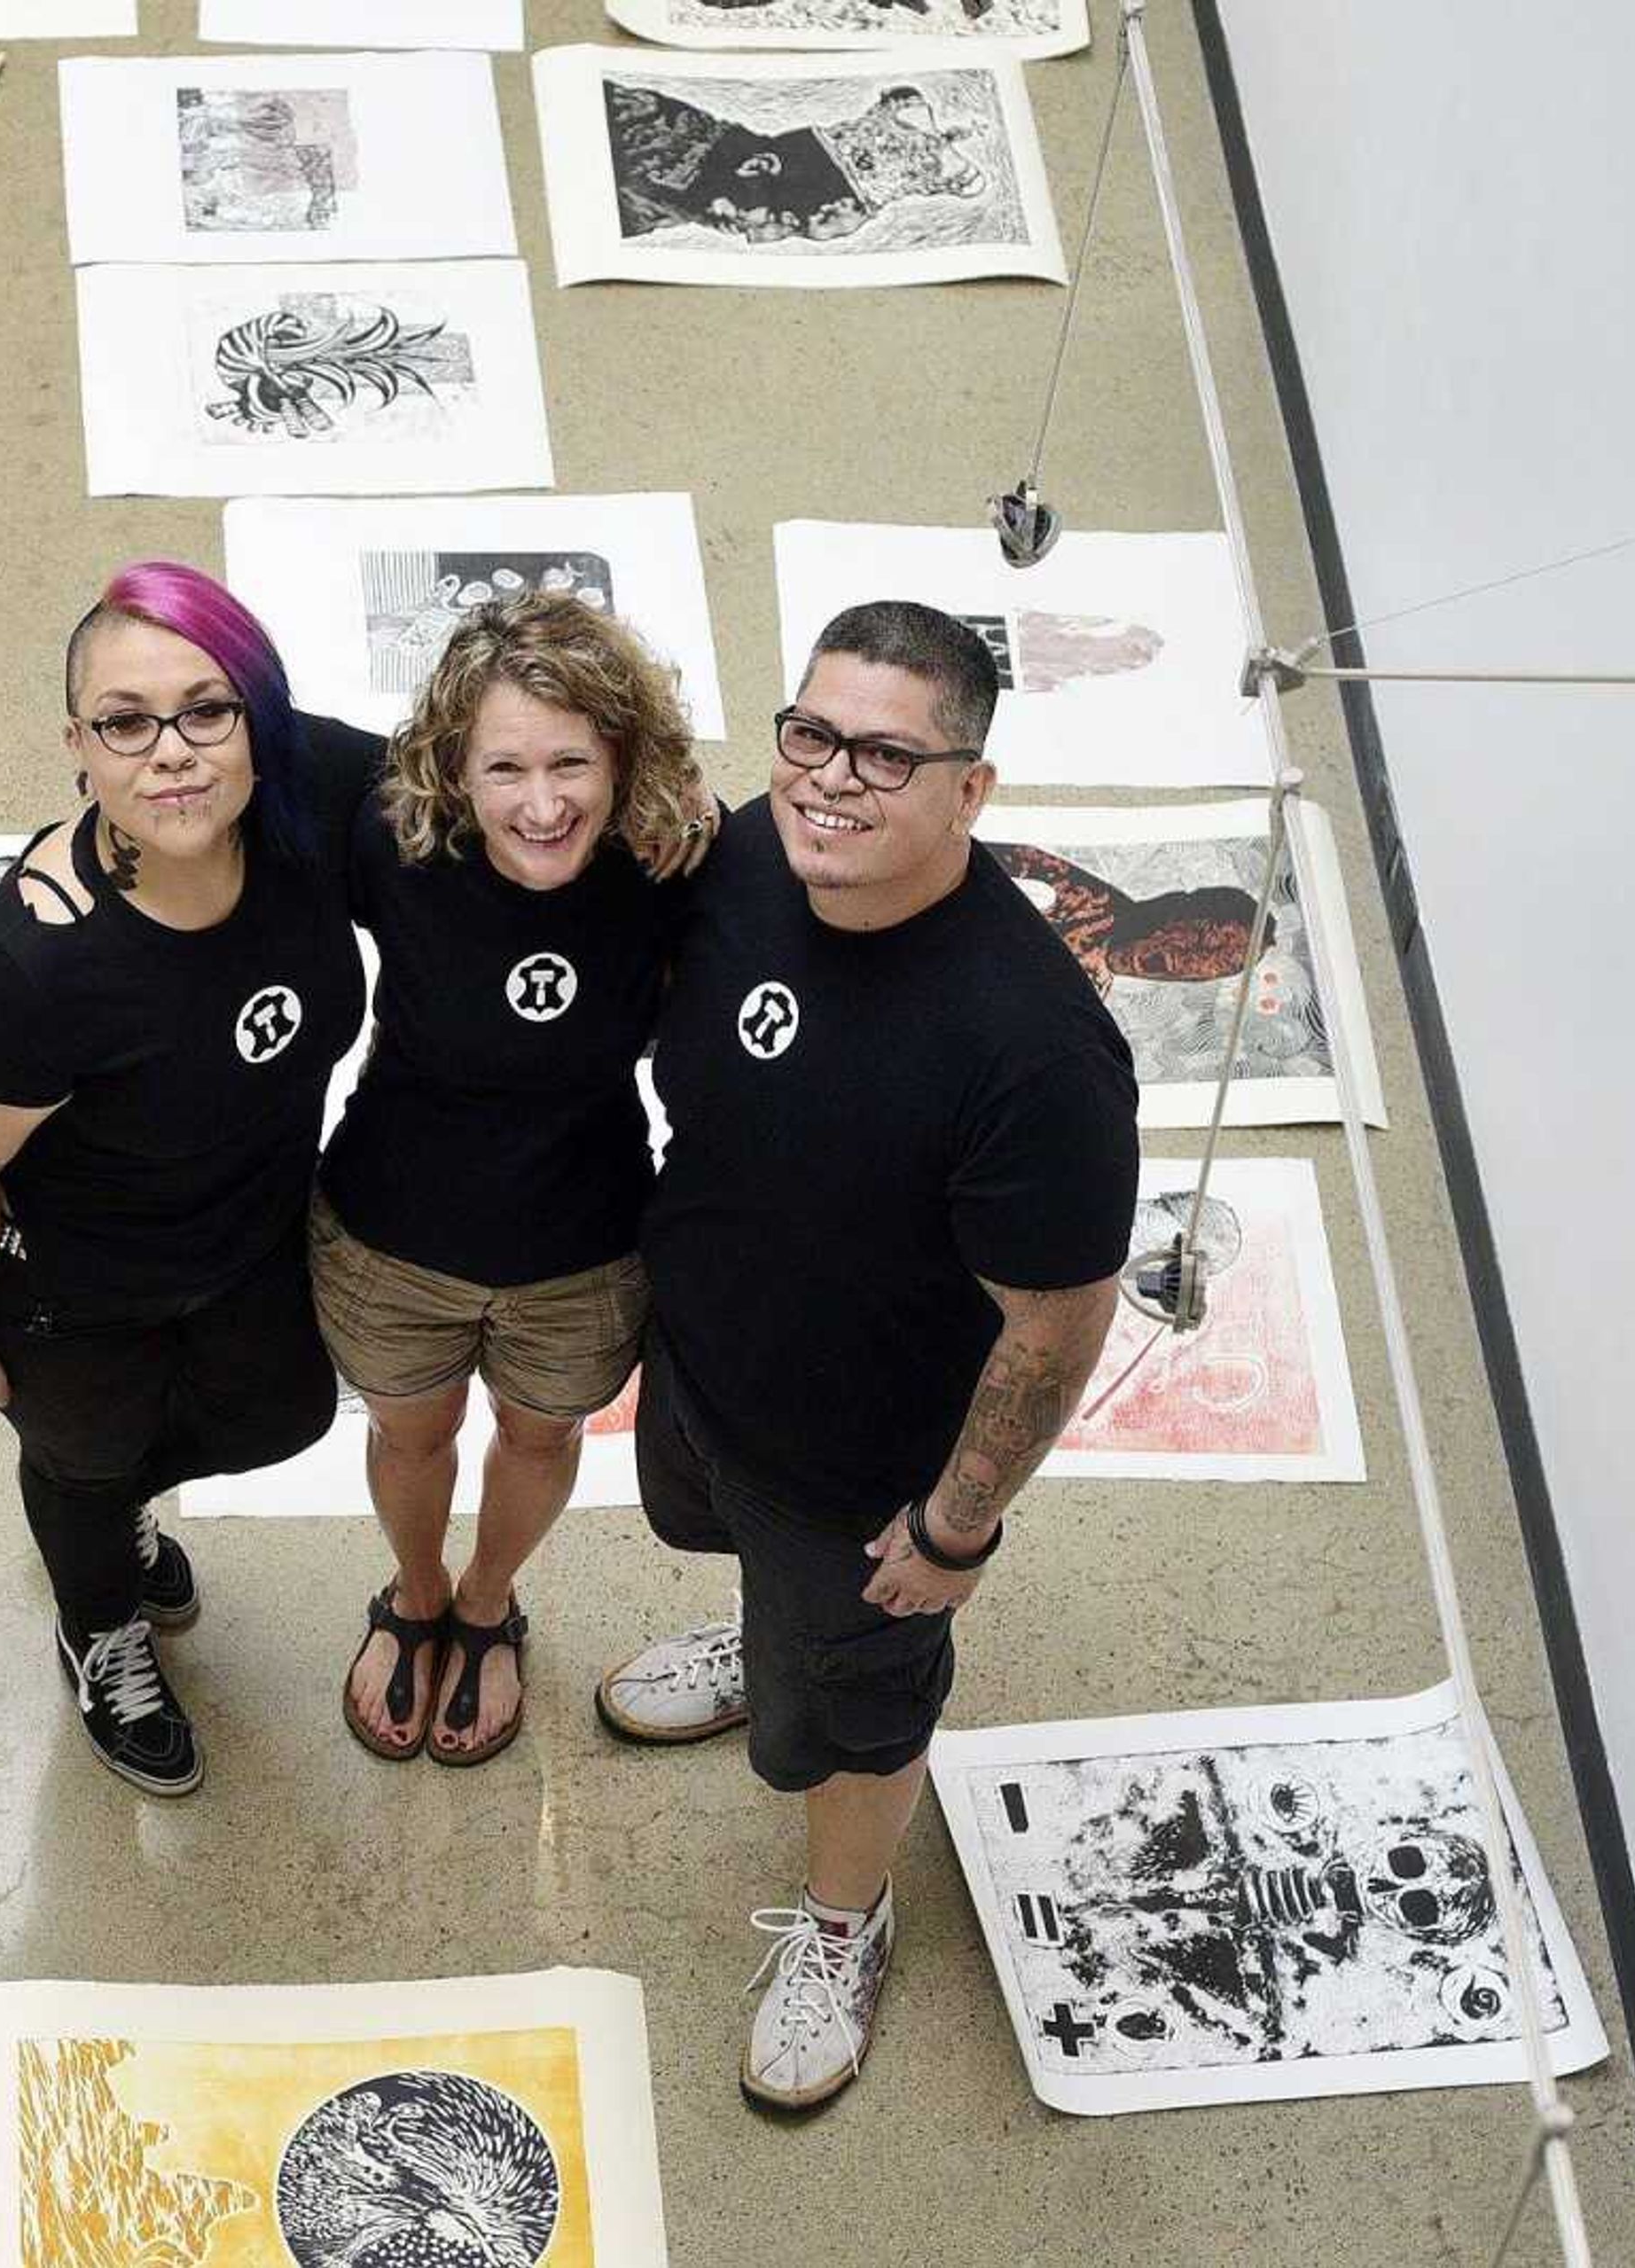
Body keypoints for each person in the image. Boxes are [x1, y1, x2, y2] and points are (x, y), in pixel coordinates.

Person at [591, 601, 1138, 2109]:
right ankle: (763, 1636)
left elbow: (1055, 1327)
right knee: (750, 1571)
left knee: (861, 1700)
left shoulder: (1035, 1054)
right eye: (812, 733)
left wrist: (955, 1529)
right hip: (703, 1373)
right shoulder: (751, 859)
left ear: (973, 789)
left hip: (863, 1481)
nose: (833, 777)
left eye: (889, 755)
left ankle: (847, 1919)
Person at [0, 561, 379, 1797]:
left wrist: (662, 807)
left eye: (206, 710)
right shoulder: (28, 961)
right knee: (83, 1456)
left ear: (256, 718)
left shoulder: (307, 791)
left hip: (242, 1235)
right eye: (125, 721)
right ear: (80, 743)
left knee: (286, 1412)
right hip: (68, 1288)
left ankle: (115, 1514)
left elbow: (486, 761)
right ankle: (96, 1616)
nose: (171, 751)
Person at [311, 593, 710, 1766]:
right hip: (390, 1237)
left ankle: (489, 1602)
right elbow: (254, 733)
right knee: (411, 1429)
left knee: (541, 1439)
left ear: (625, 755)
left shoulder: (673, 862)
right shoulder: (394, 836)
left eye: (573, 762)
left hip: (582, 1253)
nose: (542, 803)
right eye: (506, 767)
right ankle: (417, 1591)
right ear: (452, 766)